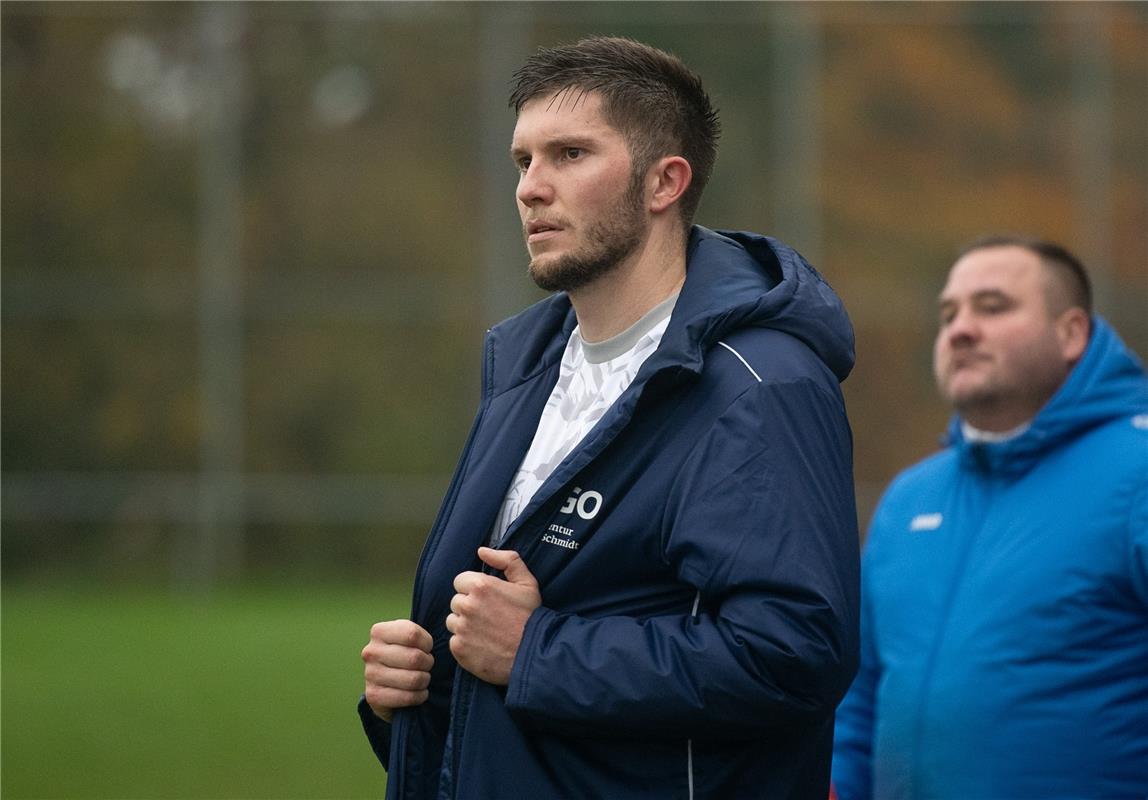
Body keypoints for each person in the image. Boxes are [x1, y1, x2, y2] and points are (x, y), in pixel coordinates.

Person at [360, 36, 860, 799]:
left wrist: (538, 652)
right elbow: (492, 644)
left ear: (665, 182)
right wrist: (415, 697)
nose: (531, 187)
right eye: (523, 161)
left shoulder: (760, 384)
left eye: (568, 154)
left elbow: (793, 653)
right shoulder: (523, 369)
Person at [831, 236, 1148, 799]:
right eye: (948, 313)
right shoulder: (910, 499)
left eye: (993, 306)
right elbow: (860, 704)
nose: (961, 328)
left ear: (1071, 332)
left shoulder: (1137, 470)